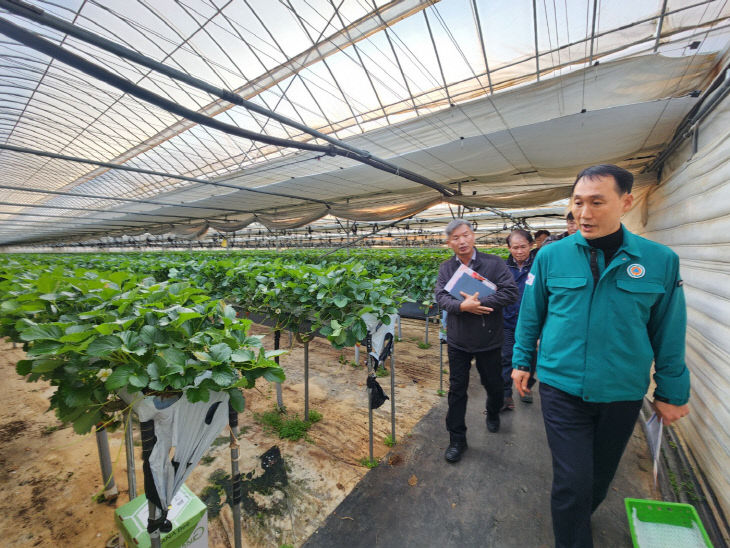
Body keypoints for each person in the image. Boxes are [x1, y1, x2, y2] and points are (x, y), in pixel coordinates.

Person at [512, 164, 690, 548]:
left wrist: (672, 391)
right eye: (578, 202)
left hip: (622, 391)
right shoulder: (550, 257)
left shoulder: (659, 261)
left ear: (625, 202)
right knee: (572, 480)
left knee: (598, 478)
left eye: (597, 202)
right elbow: (531, 314)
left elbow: (669, 329)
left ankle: (576, 521)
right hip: (562, 386)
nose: (585, 213)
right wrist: (521, 361)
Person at [435, 219, 518, 463]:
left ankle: (493, 411)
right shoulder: (446, 268)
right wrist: (462, 306)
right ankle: (457, 439)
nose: (461, 241)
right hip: (459, 340)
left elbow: (510, 292)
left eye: (465, 235)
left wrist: (479, 303)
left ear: (473, 236)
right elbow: (441, 297)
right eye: (455, 238)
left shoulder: (493, 263)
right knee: (456, 390)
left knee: (493, 384)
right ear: (449, 243)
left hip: (488, 339)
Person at [500, 229, 536, 411]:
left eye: (523, 247)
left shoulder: (538, 266)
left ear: (531, 245)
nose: (519, 251)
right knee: (506, 357)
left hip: (532, 324)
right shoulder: (503, 268)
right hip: (507, 321)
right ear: (509, 248)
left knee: (530, 358)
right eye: (515, 247)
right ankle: (506, 395)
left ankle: (526, 387)